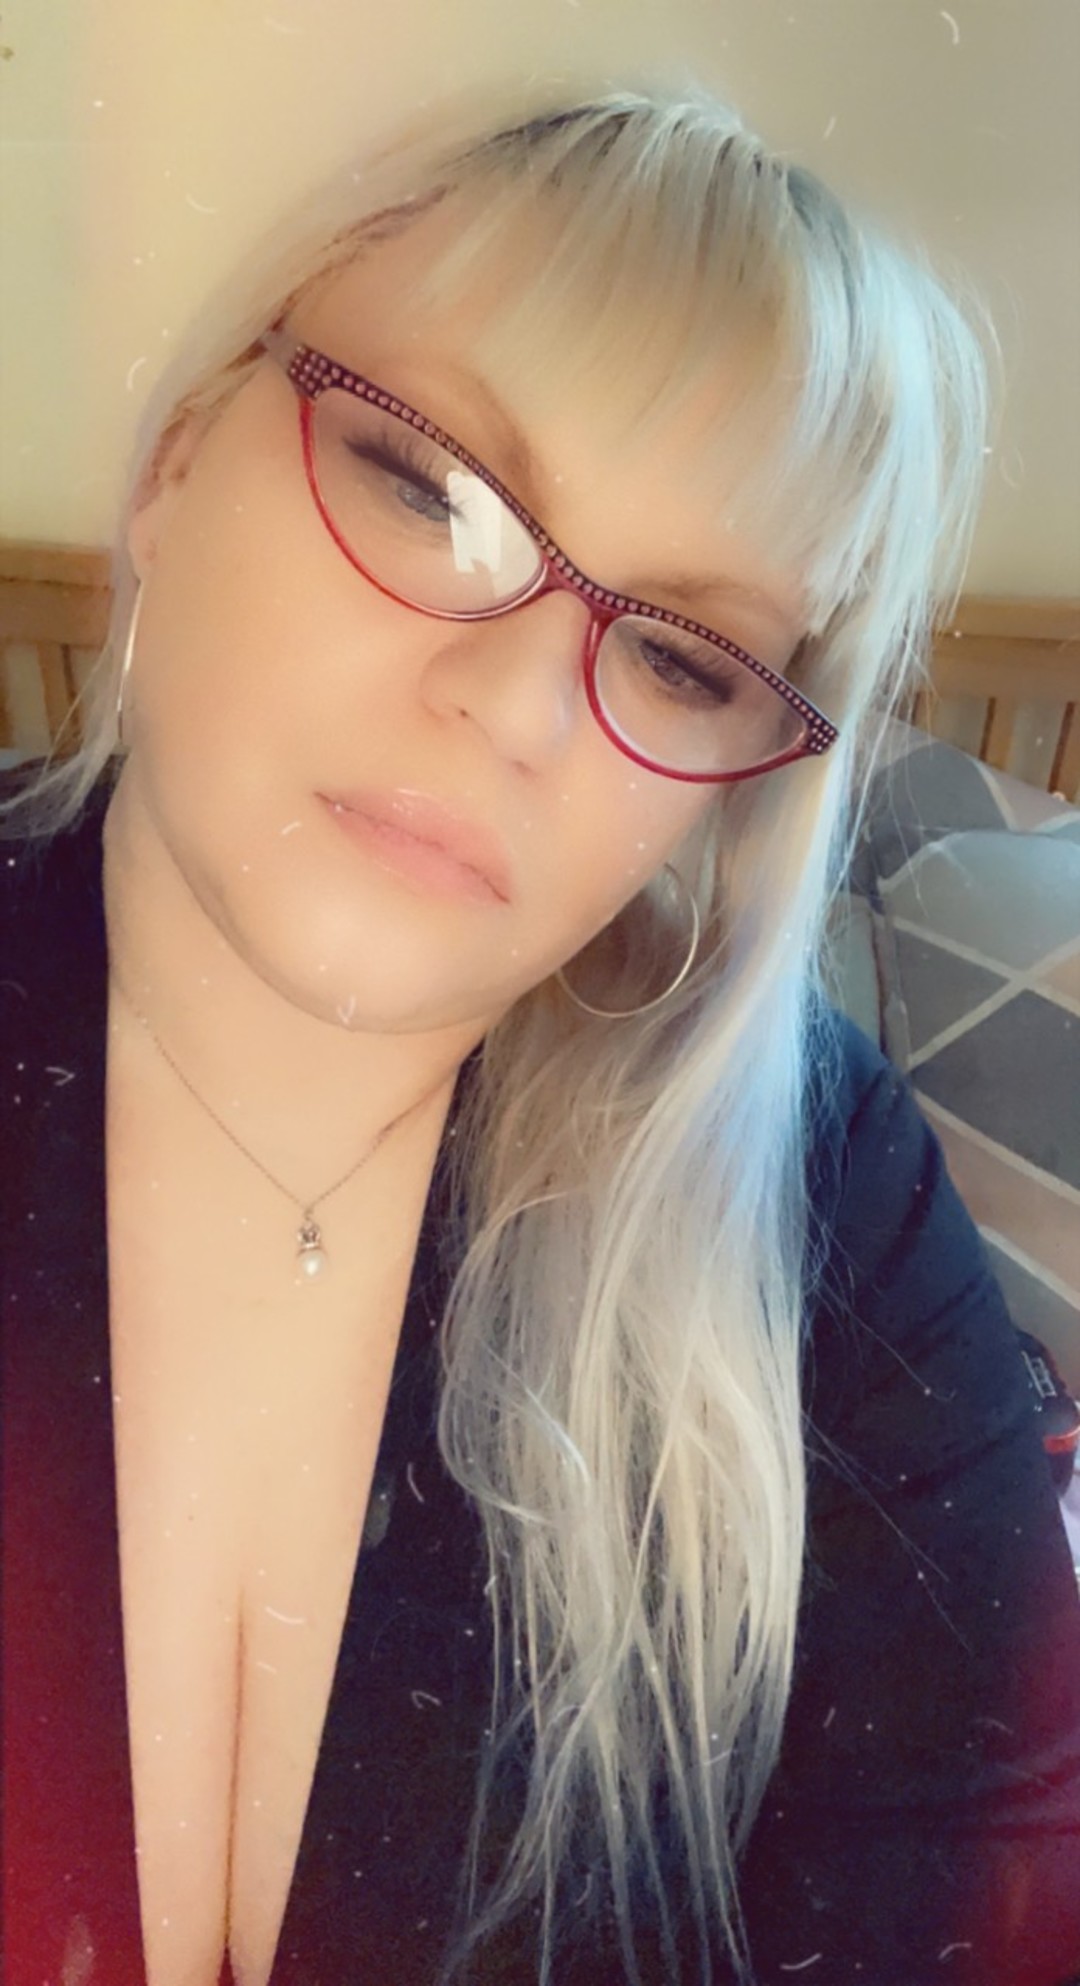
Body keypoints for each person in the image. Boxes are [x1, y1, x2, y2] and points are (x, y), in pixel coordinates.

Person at [2, 85, 1078, 1986]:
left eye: (679, 652)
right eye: (430, 486)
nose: (519, 705)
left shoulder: (822, 1209)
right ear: (173, 464)